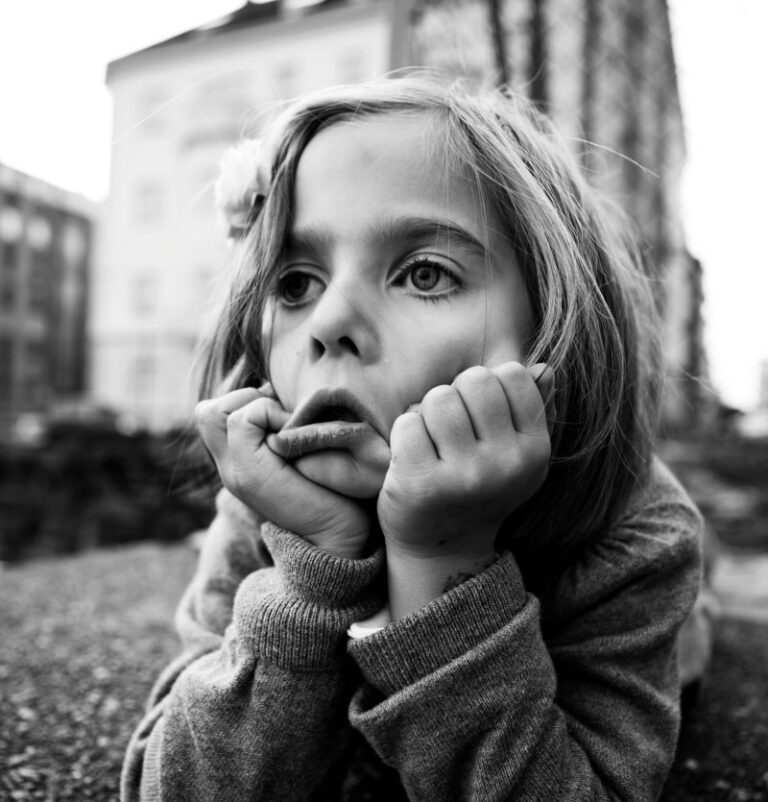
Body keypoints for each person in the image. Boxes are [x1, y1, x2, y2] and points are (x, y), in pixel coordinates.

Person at [122, 75, 705, 801]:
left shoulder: (636, 531)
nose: (330, 320)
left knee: (696, 642)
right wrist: (314, 571)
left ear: (555, 328)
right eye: (295, 284)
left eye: (425, 273)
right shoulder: (270, 503)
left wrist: (443, 560)